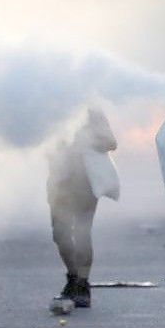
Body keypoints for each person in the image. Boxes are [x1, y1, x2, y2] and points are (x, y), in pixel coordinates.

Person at [47, 108, 119, 308]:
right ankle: (73, 276)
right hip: (59, 184)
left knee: (81, 233)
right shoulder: (47, 108)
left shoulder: (91, 112)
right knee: (60, 235)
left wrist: (85, 143)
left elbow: (111, 142)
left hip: (84, 185)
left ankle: (82, 283)